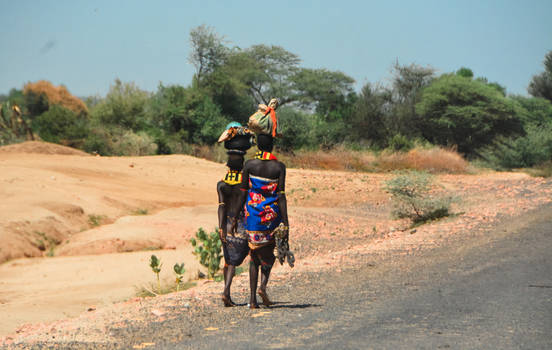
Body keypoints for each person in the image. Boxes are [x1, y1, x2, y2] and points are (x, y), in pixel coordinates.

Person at [231, 133, 289, 309]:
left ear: (258, 147)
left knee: (254, 257)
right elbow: (281, 195)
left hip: (253, 217)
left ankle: (253, 300)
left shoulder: (249, 165)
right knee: (269, 255)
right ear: (271, 147)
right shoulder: (279, 167)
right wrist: (286, 221)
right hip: (271, 216)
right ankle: (263, 286)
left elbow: (242, 192)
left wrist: (234, 216)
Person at [217, 123, 254, 307]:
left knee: (228, 261)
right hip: (241, 225)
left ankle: (227, 292)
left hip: (226, 224)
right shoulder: (244, 184)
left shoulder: (221, 184)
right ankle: (234, 293)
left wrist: (221, 226)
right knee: (250, 257)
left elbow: (221, 206)